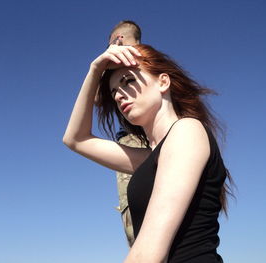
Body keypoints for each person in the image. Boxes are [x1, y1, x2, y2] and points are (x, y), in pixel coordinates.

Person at [63, 35, 232, 262]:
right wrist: (94, 70)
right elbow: (76, 139)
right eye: (114, 93)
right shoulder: (150, 158)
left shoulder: (187, 131)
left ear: (163, 82)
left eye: (128, 81)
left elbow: (148, 254)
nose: (119, 95)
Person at [108, 20, 144, 247]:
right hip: (152, 140)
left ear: (118, 39)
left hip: (137, 142)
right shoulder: (151, 62)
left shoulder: (134, 64)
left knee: (135, 209)